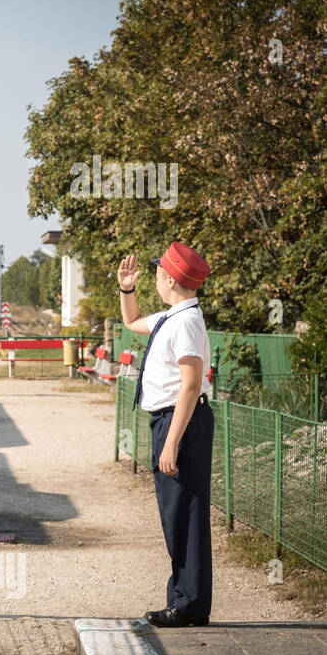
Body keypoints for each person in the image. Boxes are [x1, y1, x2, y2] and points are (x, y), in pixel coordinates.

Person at [118, 243, 214, 627]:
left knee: (185, 512)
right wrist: (126, 290)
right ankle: (185, 599)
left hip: (181, 421)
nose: (154, 277)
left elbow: (190, 386)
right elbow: (133, 321)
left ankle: (188, 604)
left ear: (171, 279)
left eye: (158, 273)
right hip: (172, 420)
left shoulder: (187, 321)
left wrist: (172, 441)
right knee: (177, 512)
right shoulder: (172, 315)